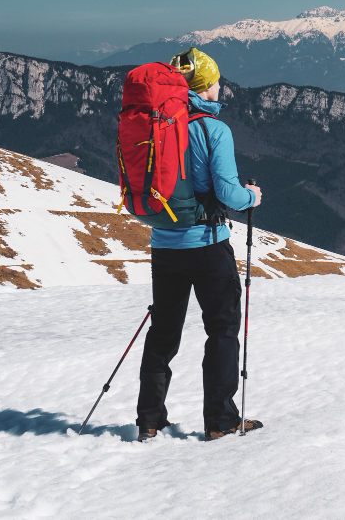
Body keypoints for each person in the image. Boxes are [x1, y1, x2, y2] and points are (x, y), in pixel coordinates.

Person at [136, 47, 264, 442]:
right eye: (217, 81)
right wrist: (252, 196)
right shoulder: (213, 129)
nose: (220, 87)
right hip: (208, 244)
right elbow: (226, 192)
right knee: (223, 329)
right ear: (206, 86)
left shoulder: (157, 124)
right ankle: (220, 420)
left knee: (164, 331)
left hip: (164, 245)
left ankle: (149, 419)